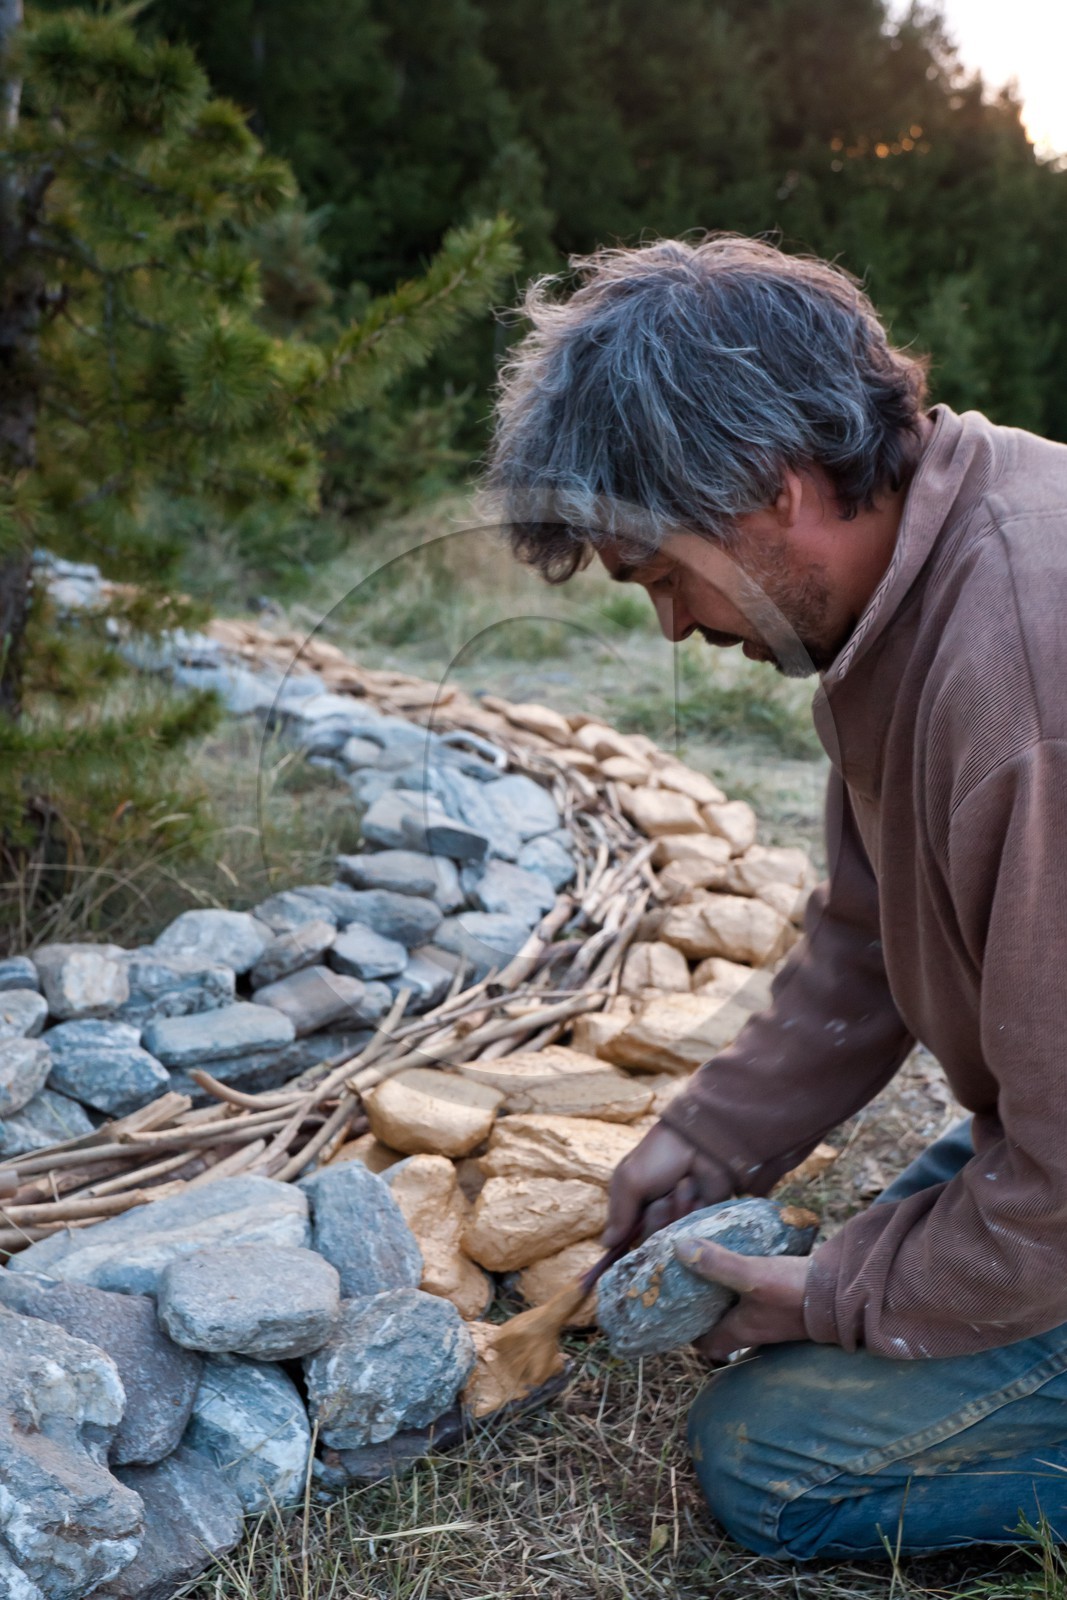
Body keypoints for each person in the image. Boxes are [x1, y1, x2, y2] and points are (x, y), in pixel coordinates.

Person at [483, 235, 1067, 1561]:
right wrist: (716, 1138)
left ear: (774, 488)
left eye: (663, 574)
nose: (674, 628)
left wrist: (839, 1297)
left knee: (771, 1460)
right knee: (861, 1270)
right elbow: (868, 934)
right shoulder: (917, 591)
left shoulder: (1025, 685)